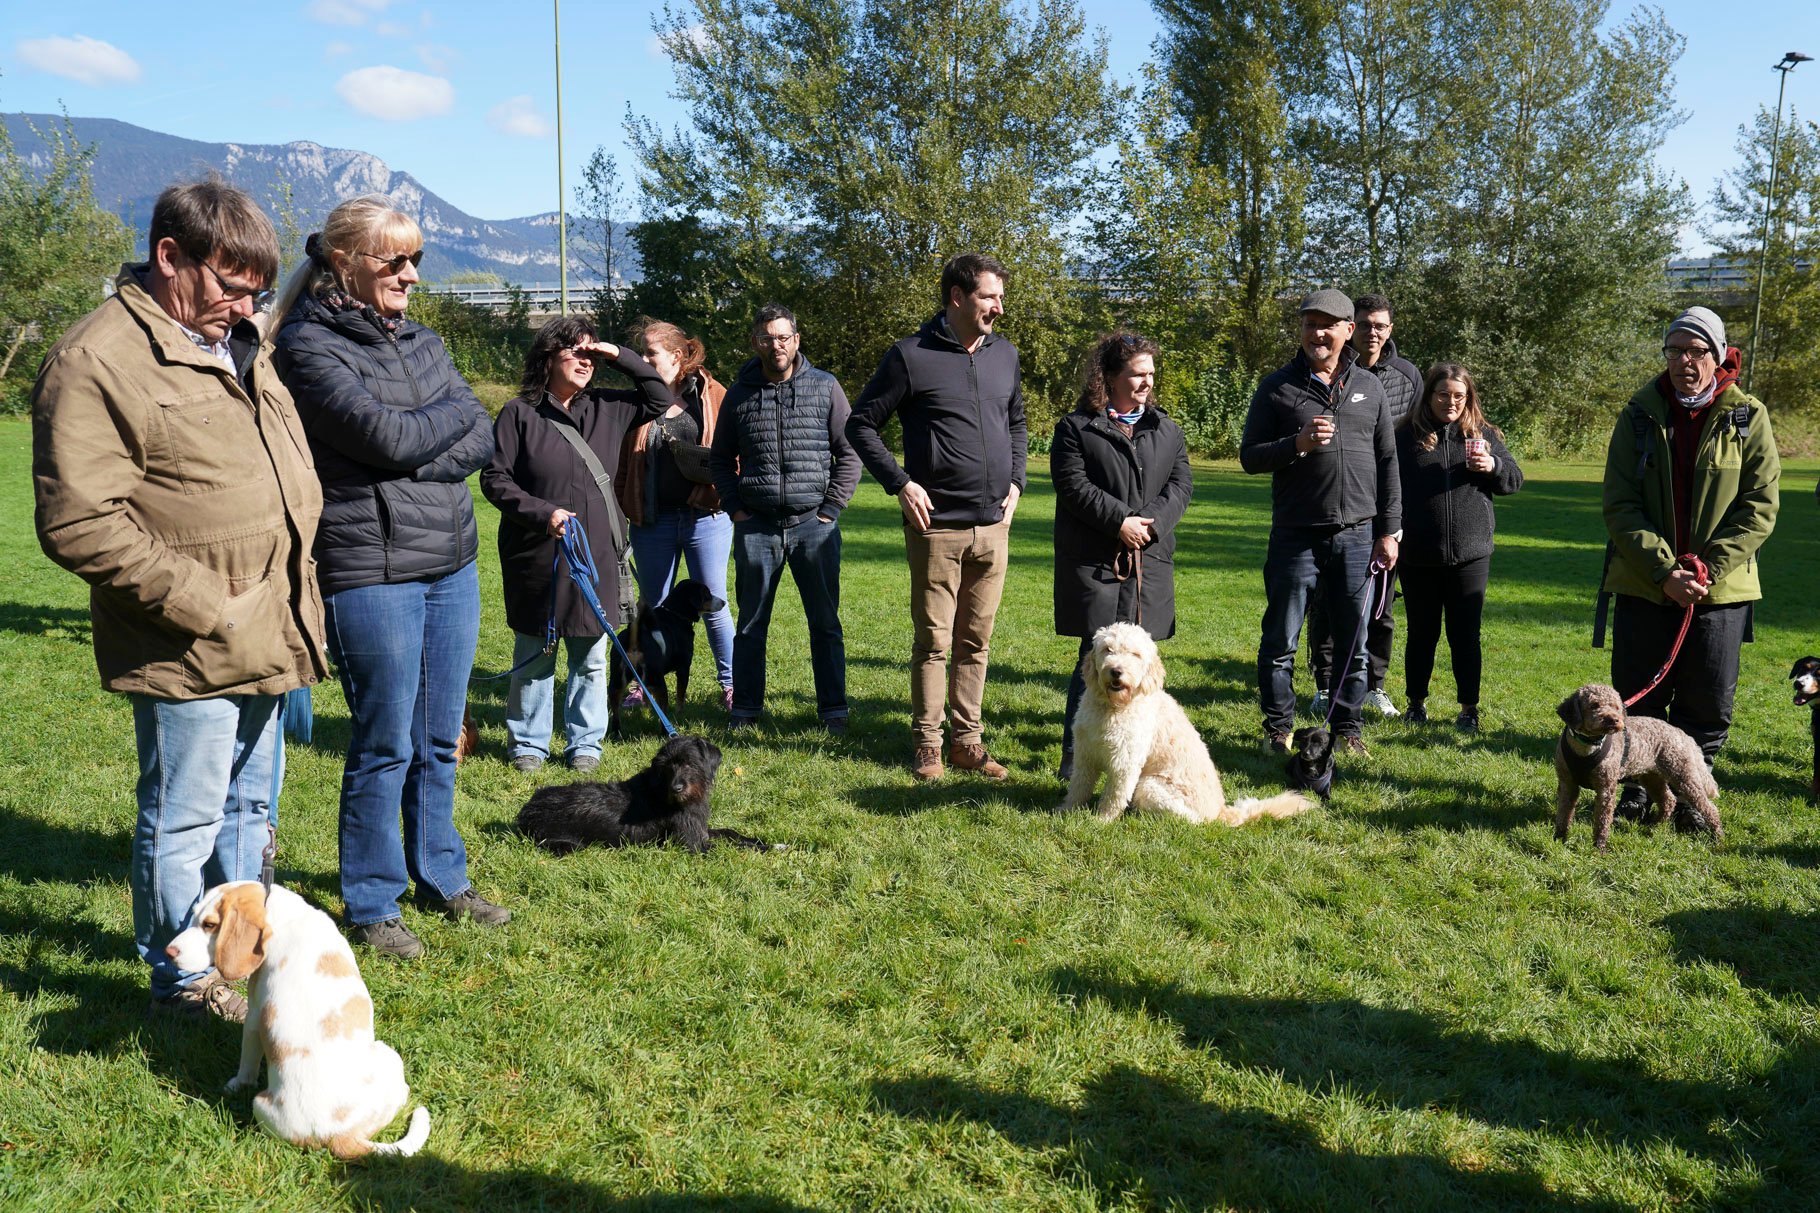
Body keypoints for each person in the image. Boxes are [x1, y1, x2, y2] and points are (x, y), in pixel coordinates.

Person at [31, 177, 328, 1022]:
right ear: (169, 256)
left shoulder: (236, 338)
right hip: (187, 641)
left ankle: (241, 959)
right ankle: (182, 983)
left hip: (270, 624)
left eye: (257, 291)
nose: (247, 306)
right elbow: (78, 521)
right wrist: (208, 603)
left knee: (249, 810)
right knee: (185, 819)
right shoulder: (97, 360)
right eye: (231, 285)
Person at [272, 195, 507, 961]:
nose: (411, 274)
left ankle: (441, 873)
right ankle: (374, 901)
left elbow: (479, 429)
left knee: (439, 736)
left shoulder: (424, 341)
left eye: (417, 260)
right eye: (395, 260)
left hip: (452, 562)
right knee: (384, 743)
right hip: (370, 568)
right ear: (344, 260)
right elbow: (387, 435)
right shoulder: (306, 346)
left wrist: (409, 454)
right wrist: (414, 445)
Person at [848, 253, 1027, 781]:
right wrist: (900, 483)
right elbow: (861, 425)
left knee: (976, 642)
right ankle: (927, 745)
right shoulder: (911, 355)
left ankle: (967, 743)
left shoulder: (1005, 355)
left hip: (993, 526)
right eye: (989, 296)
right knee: (934, 642)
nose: (999, 307)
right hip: (936, 526)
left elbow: (1016, 422)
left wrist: (1017, 481)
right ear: (957, 297)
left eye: (1000, 296)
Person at [482, 317, 677, 772]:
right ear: (549, 357)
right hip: (536, 553)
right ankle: (528, 745)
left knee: (590, 656)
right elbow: (494, 478)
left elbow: (660, 396)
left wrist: (618, 355)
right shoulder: (519, 412)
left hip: (597, 554)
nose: (586, 361)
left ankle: (585, 744)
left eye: (592, 354)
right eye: (576, 351)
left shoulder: (609, 405)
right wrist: (541, 513)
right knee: (536, 653)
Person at [1602, 306, 1778, 806]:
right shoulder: (1638, 414)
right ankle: (1638, 790)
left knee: (1708, 700)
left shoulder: (1749, 416)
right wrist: (1664, 571)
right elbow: (1620, 504)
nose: (1685, 360)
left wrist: (1707, 569)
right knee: (1641, 693)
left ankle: (1693, 797)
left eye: (1696, 350)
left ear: (1718, 355)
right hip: (1645, 584)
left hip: (1719, 590)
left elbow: (1760, 506)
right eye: (1675, 350)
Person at [1239, 288, 1400, 757]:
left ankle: (1349, 729)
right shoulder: (1277, 386)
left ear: (1349, 330)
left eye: (1328, 325)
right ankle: (1277, 730)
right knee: (1280, 641)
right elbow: (1250, 456)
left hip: (1357, 535)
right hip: (1296, 536)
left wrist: (1389, 530)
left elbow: (1388, 462)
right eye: (1310, 324)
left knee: (1355, 643)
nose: (1318, 334)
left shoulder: (1369, 388)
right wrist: (1297, 444)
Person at [709, 304, 861, 730]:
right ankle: (745, 710)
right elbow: (720, 460)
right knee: (751, 625)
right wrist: (736, 509)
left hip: (815, 525)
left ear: (796, 339)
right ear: (754, 342)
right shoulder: (739, 395)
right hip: (756, 526)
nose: (775, 345)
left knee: (825, 623)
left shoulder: (826, 387)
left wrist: (831, 509)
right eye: (766, 338)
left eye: (782, 337)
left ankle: (833, 711)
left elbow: (849, 452)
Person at [1051, 331, 1193, 781]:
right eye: (1136, 374)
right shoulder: (1076, 428)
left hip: (1149, 561)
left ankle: (1135, 763)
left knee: (1141, 663)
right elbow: (1073, 485)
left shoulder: (1167, 429)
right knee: (1095, 660)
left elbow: (1181, 485)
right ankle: (1075, 760)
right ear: (1109, 377)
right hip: (1096, 563)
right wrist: (1120, 522)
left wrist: (1150, 524)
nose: (1147, 382)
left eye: (1151, 373)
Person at [1307, 292, 1424, 719]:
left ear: (1390, 330)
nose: (1373, 332)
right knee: (1326, 600)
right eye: (1367, 324)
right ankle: (1325, 684)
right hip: (1337, 502)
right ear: (1351, 326)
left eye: (1381, 325)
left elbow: (1414, 440)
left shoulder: (1408, 377)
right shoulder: (1332, 370)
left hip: (1387, 505)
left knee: (1381, 604)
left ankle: (1374, 685)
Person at [1395, 363, 1523, 732]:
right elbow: (1384, 486)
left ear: (1468, 398)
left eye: (1458, 396)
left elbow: (1514, 480)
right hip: (1418, 554)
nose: (1450, 402)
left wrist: (1493, 465)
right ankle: (1416, 704)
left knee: (1465, 636)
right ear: (1429, 395)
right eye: (1443, 394)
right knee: (1422, 634)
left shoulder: (1483, 434)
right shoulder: (1405, 436)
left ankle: (1469, 709)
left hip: (1471, 554)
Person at [616, 319, 734, 711]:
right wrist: (623, 502)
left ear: (677, 355)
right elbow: (622, 460)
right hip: (653, 520)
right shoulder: (638, 399)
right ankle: (642, 683)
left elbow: (734, 448)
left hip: (706, 516)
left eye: (651, 352)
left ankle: (732, 685)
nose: (644, 359)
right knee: (652, 609)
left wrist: (727, 489)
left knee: (713, 604)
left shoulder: (712, 394)